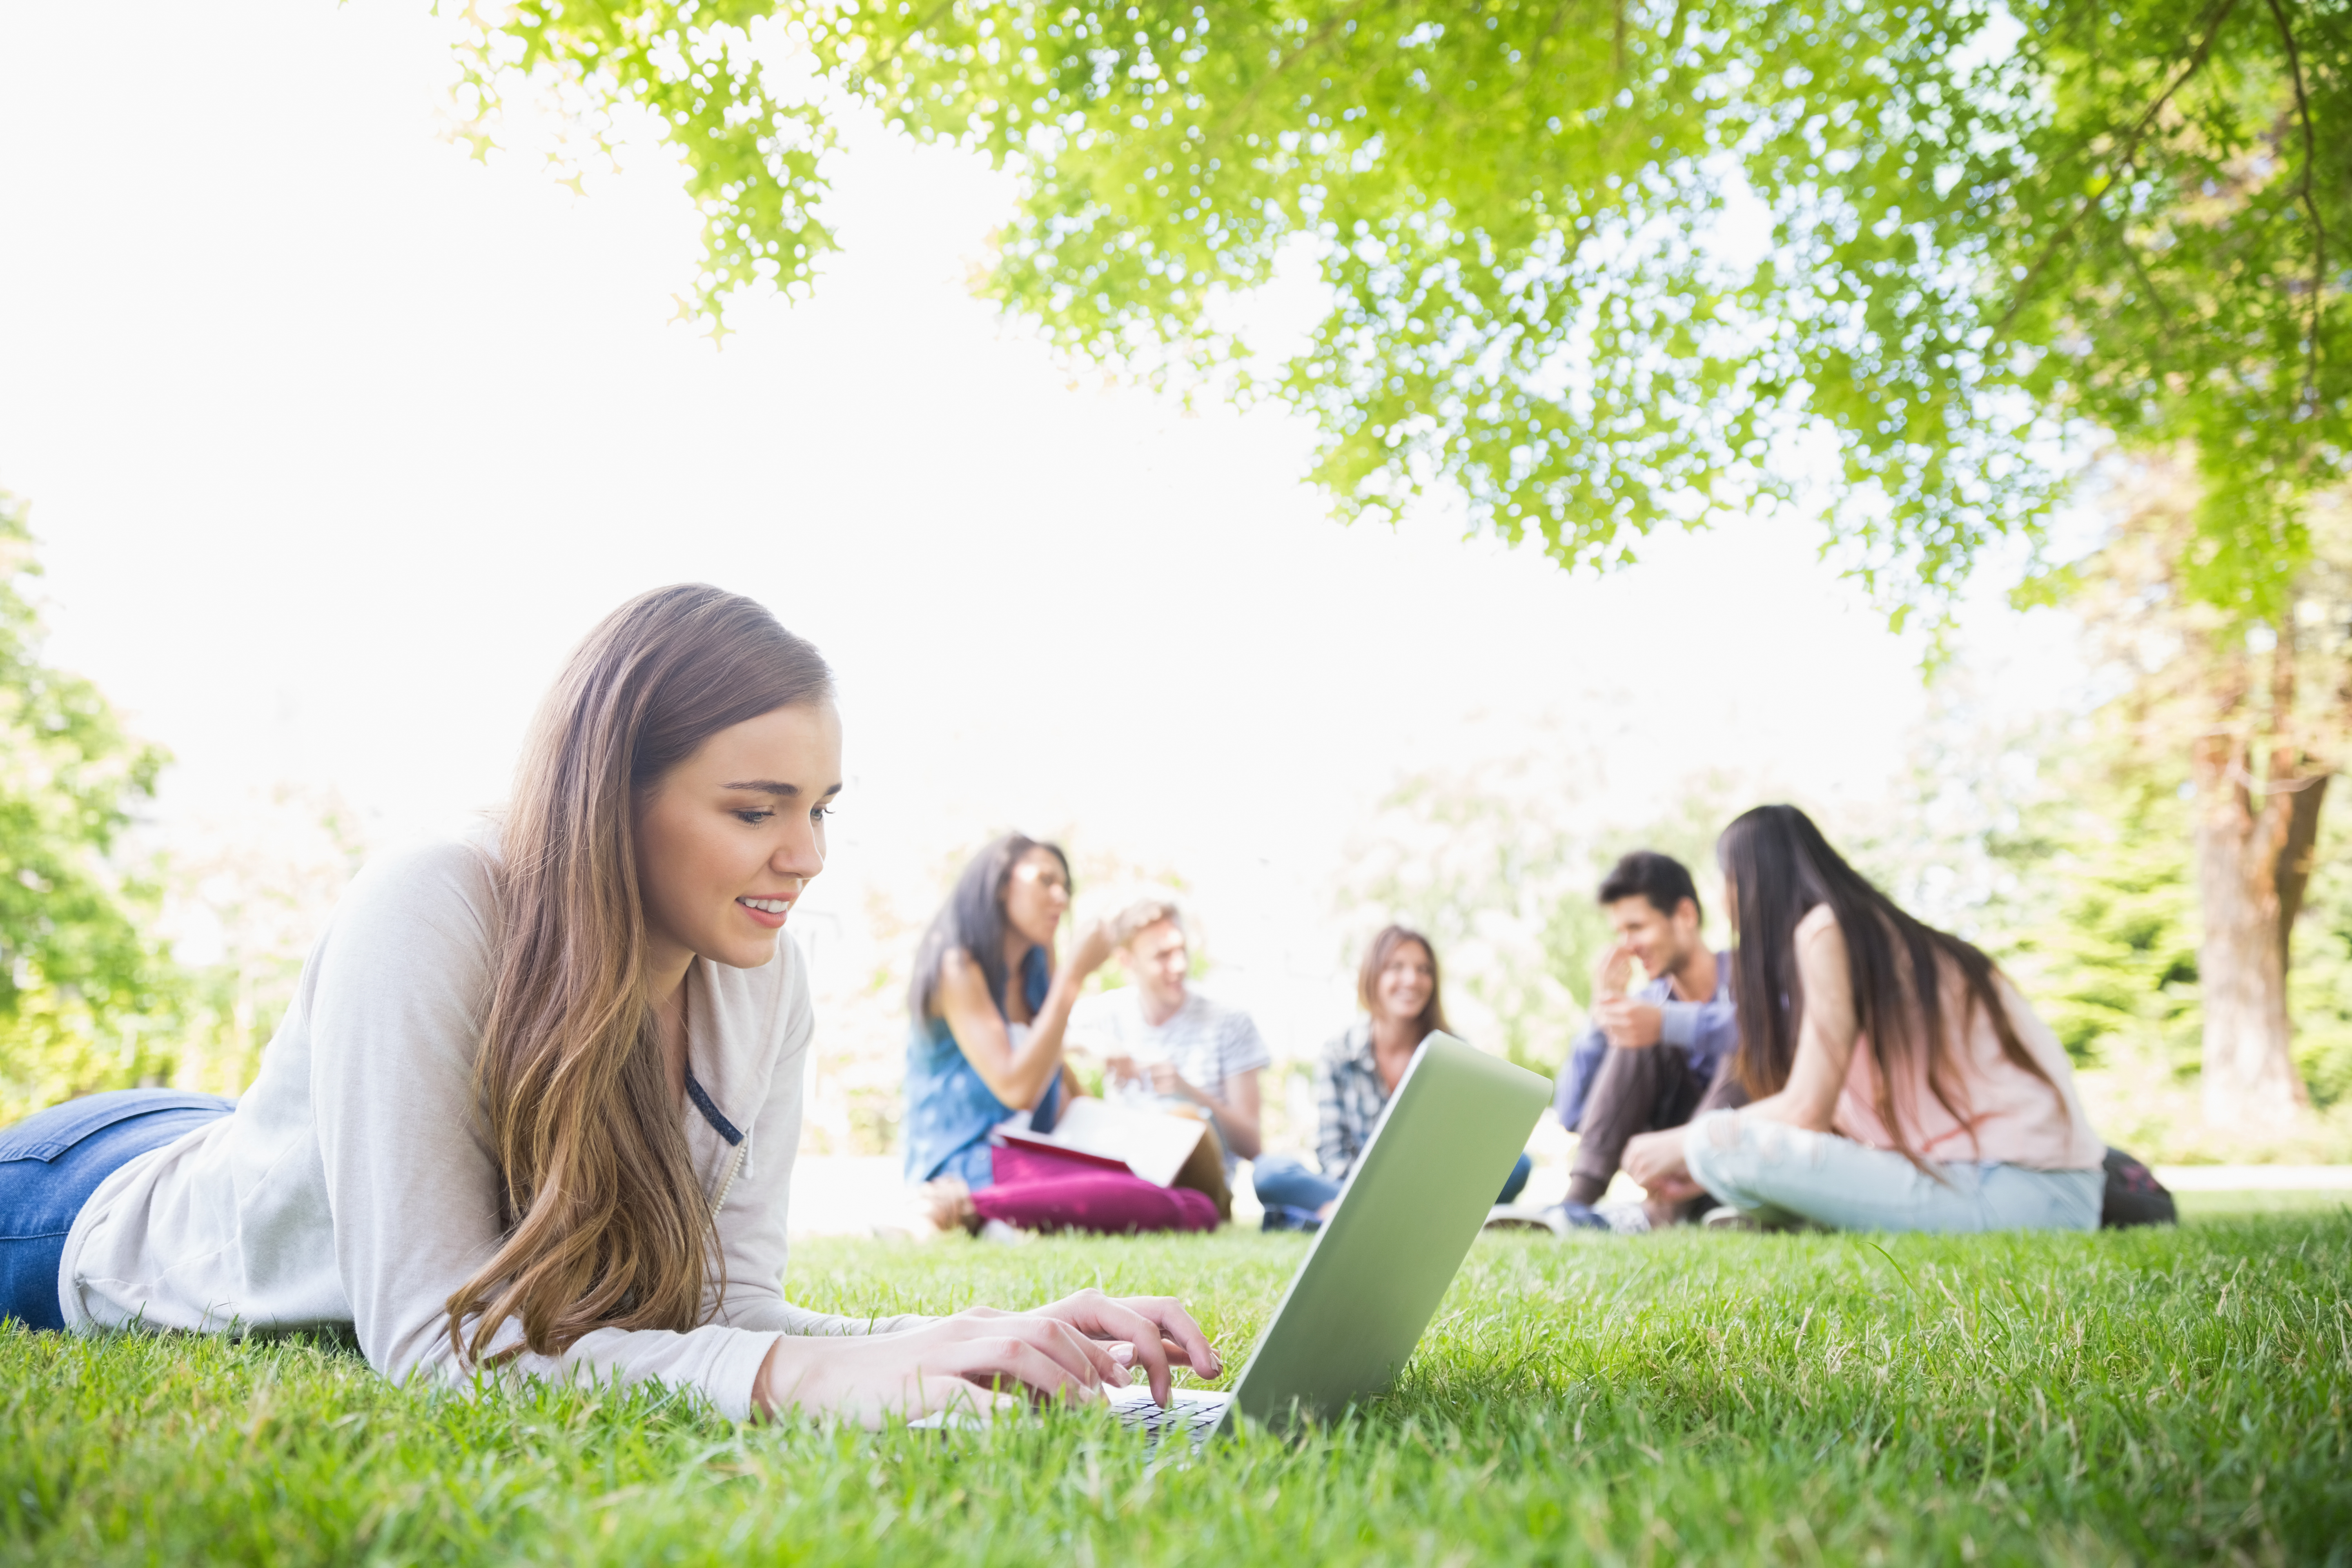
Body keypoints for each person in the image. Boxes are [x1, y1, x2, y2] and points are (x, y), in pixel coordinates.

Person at [0, 586, 1218, 1425]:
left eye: (821, 806)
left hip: (257, 1143)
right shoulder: (433, 899)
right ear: (610, 794)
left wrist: (991, 1331)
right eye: (755, 809)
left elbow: (727, 1312)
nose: (808, 855)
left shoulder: (764, 972)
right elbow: (434, 1352)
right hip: (75, 1203)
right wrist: (805, 1379)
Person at [1624, 804, 2106, 1233]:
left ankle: (1774, 1212)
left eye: (1726, 881)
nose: (1726, 902)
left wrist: (1683, 1145)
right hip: (2038, 1187)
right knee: (1726, 1152)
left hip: (2016, 1189)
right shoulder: (1869, 930)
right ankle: (1777, 1212)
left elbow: (1804, 1110)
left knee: (1716, 1143)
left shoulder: (1827, 930)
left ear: (1752, 880)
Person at [904, 840, 1222, 1237]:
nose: (1061, 896)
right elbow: (1016, 1088)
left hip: (1031, 1147)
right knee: (1160, 1204)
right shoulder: (958, 966)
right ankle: (956, 1204)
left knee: (1199, 1207)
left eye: (1066, 886)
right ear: (1002, 887)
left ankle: (990, 1215)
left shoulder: (1037, 964)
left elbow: (1050, 1064)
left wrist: (1105, 1134)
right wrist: (1074, 975)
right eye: (1045, 881)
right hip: (967, 1159)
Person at [1252, 925, 1532, 1227]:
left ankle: (1355, 1221)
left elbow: (1468, 1148)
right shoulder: (1339, 1052)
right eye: (1396, 967)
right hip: (1354, 1189)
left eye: (1423, 969)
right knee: (1270, 1173)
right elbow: (1332, 1151)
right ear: (1373, 976)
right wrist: (1367, 1196)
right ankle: (1400, 1219)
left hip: (1431, 1191)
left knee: (1518, 1165)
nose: (1412, 980)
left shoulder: (1457, 1054)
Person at [1549, 851, 1744, 1229]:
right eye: (1620, 933)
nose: (1627, 946)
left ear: (1686, 916)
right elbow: (1572, 1113)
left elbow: (1781, 1043)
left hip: (1740, 1150)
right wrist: (1599, 1015)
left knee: (1750, 1040)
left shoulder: (1747, 974)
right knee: (1638, 1036)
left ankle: (1708, 1202)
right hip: (1670, 1174)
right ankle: (1572, 1210)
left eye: (1636, 928)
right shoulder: (1645, 1009)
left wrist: (1664, 1023)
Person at [1071, 895, 1270, 1184]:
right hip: (1129, 1168)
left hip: (1198, 1181)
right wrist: (1092, 1044)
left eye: (1181, 950)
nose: (1178, 965)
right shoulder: (1108, 1014)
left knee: (1183, 1117)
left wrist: (1188, 1091)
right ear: (1127, 961)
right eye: (1162, 956)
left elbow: (1252, 1145)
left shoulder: (1230, 1023)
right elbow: (1041, 1037)